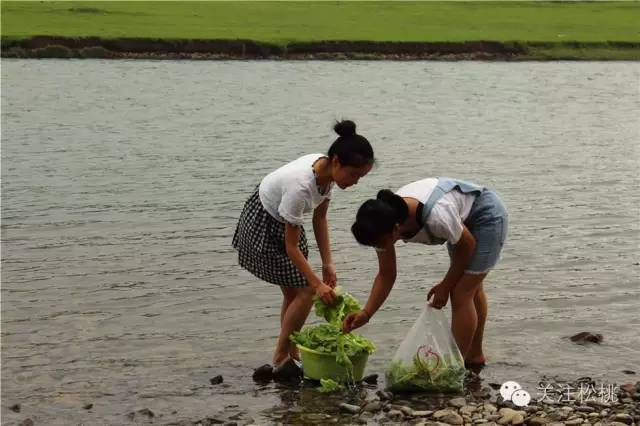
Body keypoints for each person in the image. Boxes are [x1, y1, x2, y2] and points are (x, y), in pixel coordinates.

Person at [232, 120, 374, 374]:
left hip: (286, 221)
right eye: (354, 175)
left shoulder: (327, 174)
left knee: (295, 293)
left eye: (361, 177)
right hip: (265, 223)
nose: (355, 182)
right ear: (337, 162)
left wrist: (327, 262)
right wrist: (318, 284)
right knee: (307, 291)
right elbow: (291, 248)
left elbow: (320, 218)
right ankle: (280, 355)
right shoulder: (300, 188)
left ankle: (292, 351)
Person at [343, 177, 508, 367]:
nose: (381, 248)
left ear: (396, 229)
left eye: (382, 244)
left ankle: (453, 368)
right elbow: (386, 274)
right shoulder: (380, 225)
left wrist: (445, 287)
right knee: (471, 288)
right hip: (460, 222)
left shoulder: (436, 216)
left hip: (486, 216)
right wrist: (366, 313)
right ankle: (474, 357)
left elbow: (467, 246)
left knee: (461, 292)